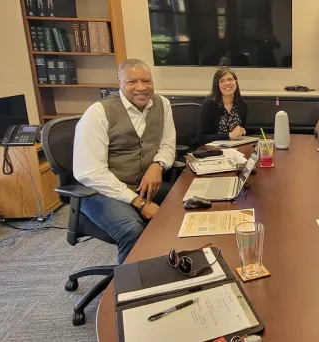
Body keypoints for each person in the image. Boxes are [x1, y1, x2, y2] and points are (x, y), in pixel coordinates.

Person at [73, 59, 176, 263]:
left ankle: (169, 270)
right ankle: (130, 290)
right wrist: (139, 202)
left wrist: (158, 165)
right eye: (132, 82)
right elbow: (91, 173)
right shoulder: (98, 113)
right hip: (100, 191)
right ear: (118, 82)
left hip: (141, 185)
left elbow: (167, 145)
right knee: (132, 229)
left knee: (187, 204)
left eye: (146, 81)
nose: (141, 88)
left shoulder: (162, 104)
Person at [192, 67, 249, 148]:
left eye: (230, 79)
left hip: (235, 149)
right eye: (222, 81)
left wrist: (241, 132)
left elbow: (242, 130)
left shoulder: (242, 105)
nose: (227, 83)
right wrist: (229, 135)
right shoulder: (209, 105)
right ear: (217, 85)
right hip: (212, 151)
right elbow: (202, 138)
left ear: (236, 82)